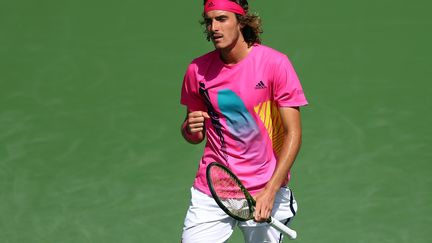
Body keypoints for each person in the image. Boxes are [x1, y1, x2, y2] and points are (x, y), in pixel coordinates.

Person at [180, 0, 308, 242]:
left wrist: (271, 190)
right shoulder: (197, 70)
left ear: (241, 21)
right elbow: (193, 135)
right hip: (214, 190)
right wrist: (189, 128)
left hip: (264, 187)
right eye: (209, 21)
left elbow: (294, 133)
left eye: (222, 19)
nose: (214, 27)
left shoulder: (274, 64)